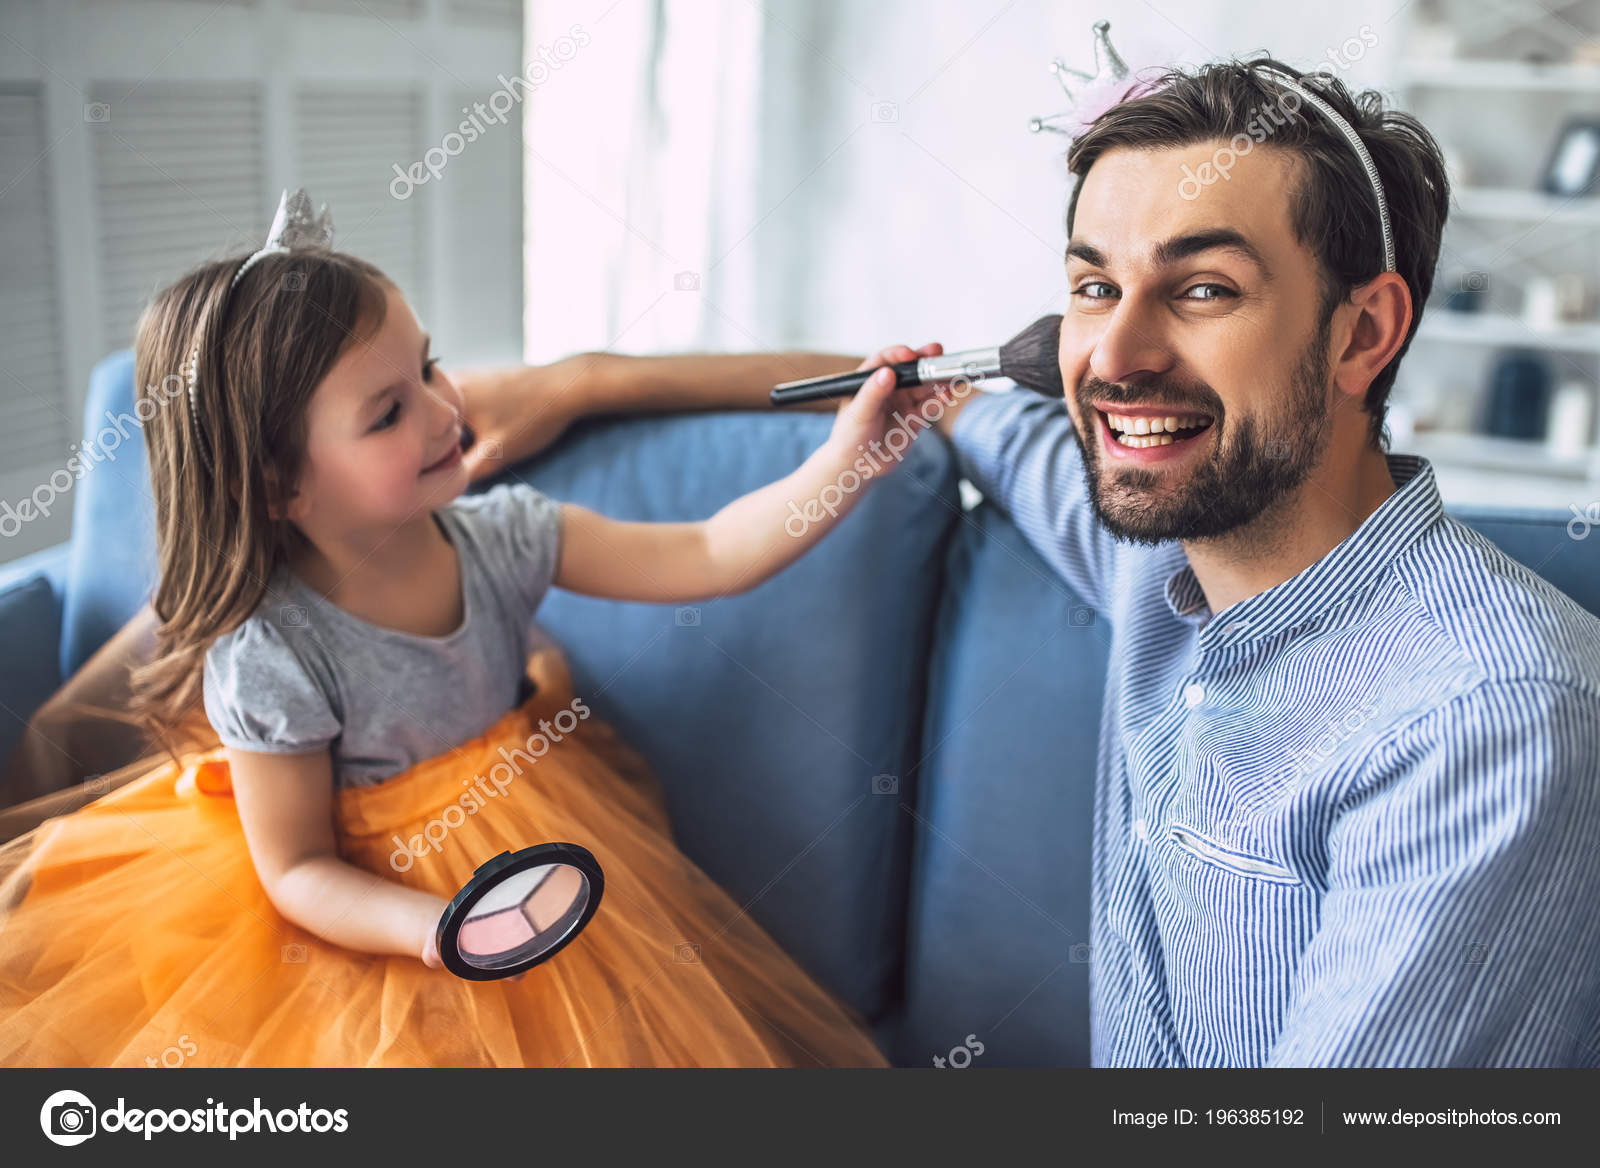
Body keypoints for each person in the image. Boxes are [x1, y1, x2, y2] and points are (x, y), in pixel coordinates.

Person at [452, 60, 1600, 1066]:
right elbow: (937, 396)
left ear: (1361, 333)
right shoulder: (1156, 550)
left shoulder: (1486, 722)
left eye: (1203, 289)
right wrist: (587, 379)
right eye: (1095, 286)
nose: (1115, 354)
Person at [0, 192, 952, 1067]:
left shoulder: (506, 535)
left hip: (533, 835)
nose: (446, 409)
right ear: (280, 485)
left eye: (427, 367)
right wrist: (438, 929)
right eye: (388, 413)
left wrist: (849, 457)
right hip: (371, 916)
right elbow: (296, 869)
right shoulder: (272, 653)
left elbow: (709, 551)